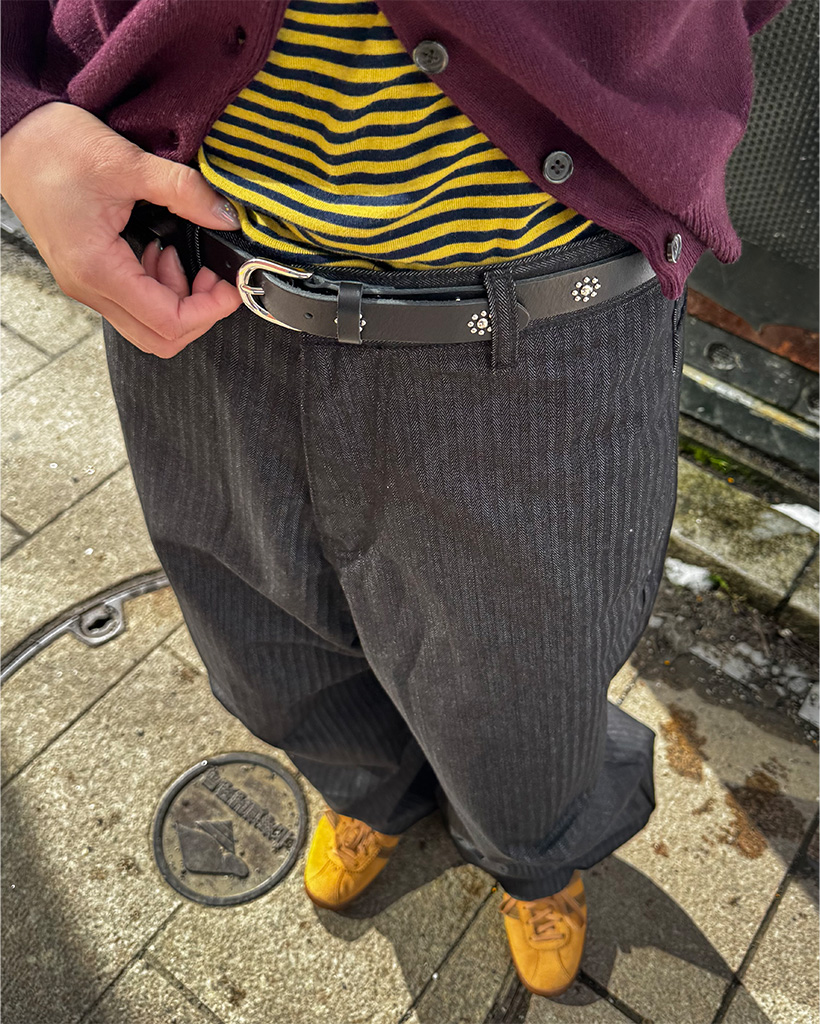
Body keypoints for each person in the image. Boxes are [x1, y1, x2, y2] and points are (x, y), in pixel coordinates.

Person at [1, 0, 790, 1000]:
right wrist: (17, 116)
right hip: (199, 271)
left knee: (524, 679)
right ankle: (366, 786)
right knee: (259, 624)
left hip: (539, 301)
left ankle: (535, 856)